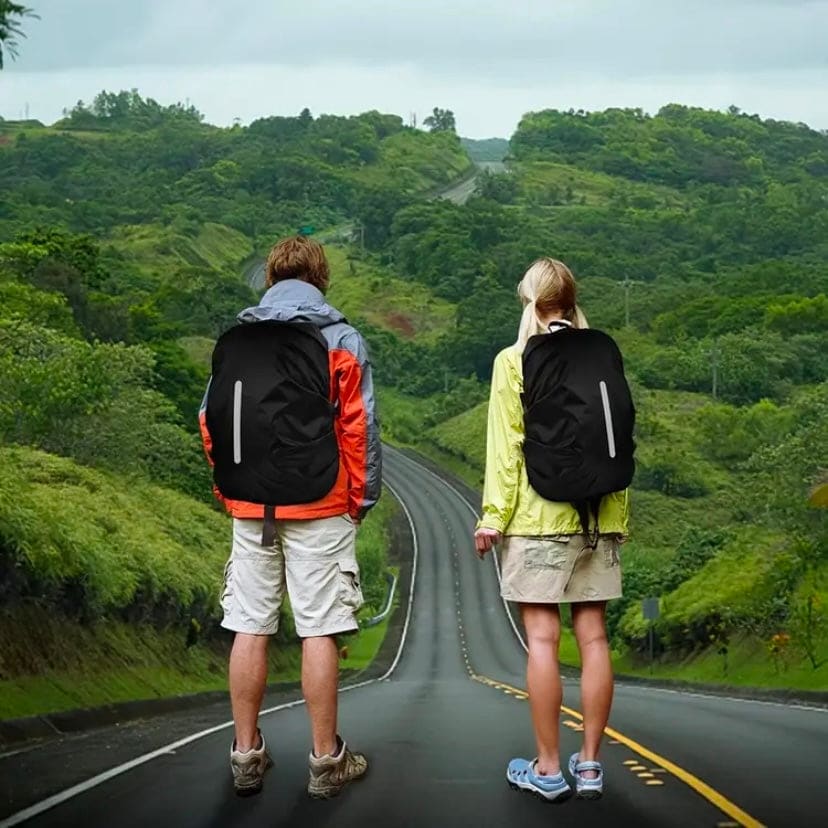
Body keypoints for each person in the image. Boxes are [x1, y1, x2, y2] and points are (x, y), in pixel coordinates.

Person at [199, 235, 381, 798]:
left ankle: (246, 755)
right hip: (320, 502)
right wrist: (360, 500)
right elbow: (359, 428)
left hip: (250, 503)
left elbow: (209, 420)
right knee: (319, 628)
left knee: (249, 624)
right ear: (321, 278)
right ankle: (326, 761)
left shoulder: (237, 339)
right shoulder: (339, 337)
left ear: (270, 278)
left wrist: (230, 490)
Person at [473, 257, 629, 802]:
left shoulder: (514, 360)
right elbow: (616, 436)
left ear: (530, 302)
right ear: (570, 300)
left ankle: (547, 768)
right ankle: (591, 765)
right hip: (599, 516)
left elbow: (506, 449)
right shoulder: (603, 354)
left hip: (538, 520)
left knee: (542, 640)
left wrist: (493, 518)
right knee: (594, 638)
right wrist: (618, 519)